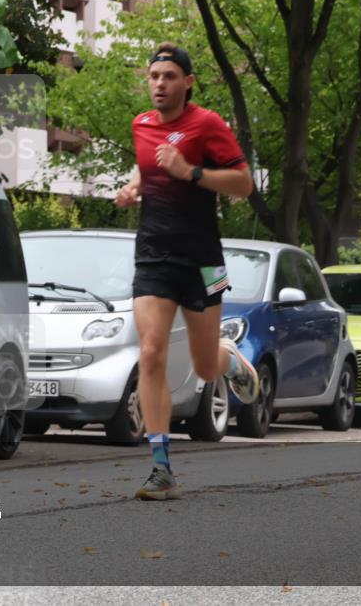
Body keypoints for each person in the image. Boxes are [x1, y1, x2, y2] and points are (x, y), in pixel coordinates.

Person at [113, 42, 260, 501]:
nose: (160, 84)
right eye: (154, 76)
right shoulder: (140, 124)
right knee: (152, 352)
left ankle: (229, 359)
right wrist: (133, 186)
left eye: (169, 77)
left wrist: (191, 172)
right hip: (153, 256)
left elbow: (243, 183)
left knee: (202, 363)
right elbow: (147, 168)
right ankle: (161, 468)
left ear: (187, 82)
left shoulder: (207, 125)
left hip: (205, 260)